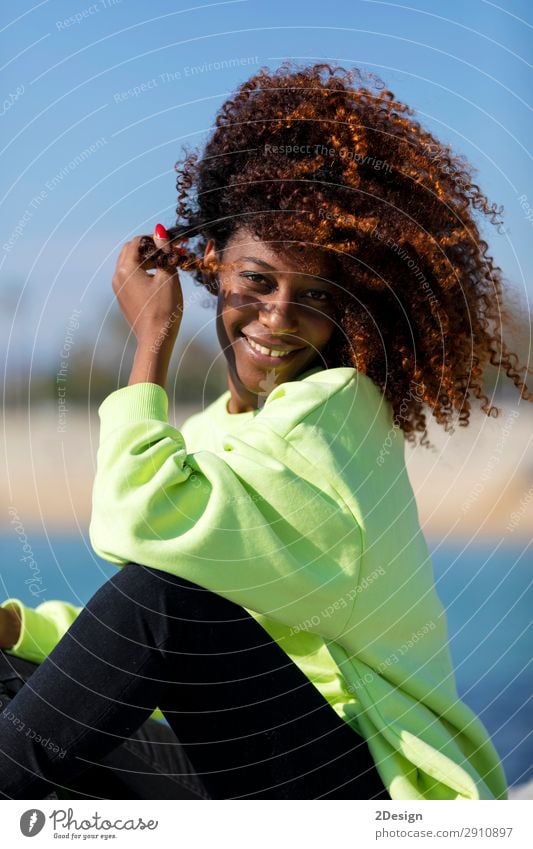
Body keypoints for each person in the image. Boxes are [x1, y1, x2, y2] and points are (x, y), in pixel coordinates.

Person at [0, 60, 530, 801]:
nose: (278, 317)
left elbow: (137, 531)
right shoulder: (227, 427)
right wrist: (15, 630)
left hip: (372, 786)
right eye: (257, 280)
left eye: (315, 293)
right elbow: (146, 632)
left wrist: (150, 338)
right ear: (211, 264)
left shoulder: (336, 413)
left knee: (160, 600)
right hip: (266, 757)